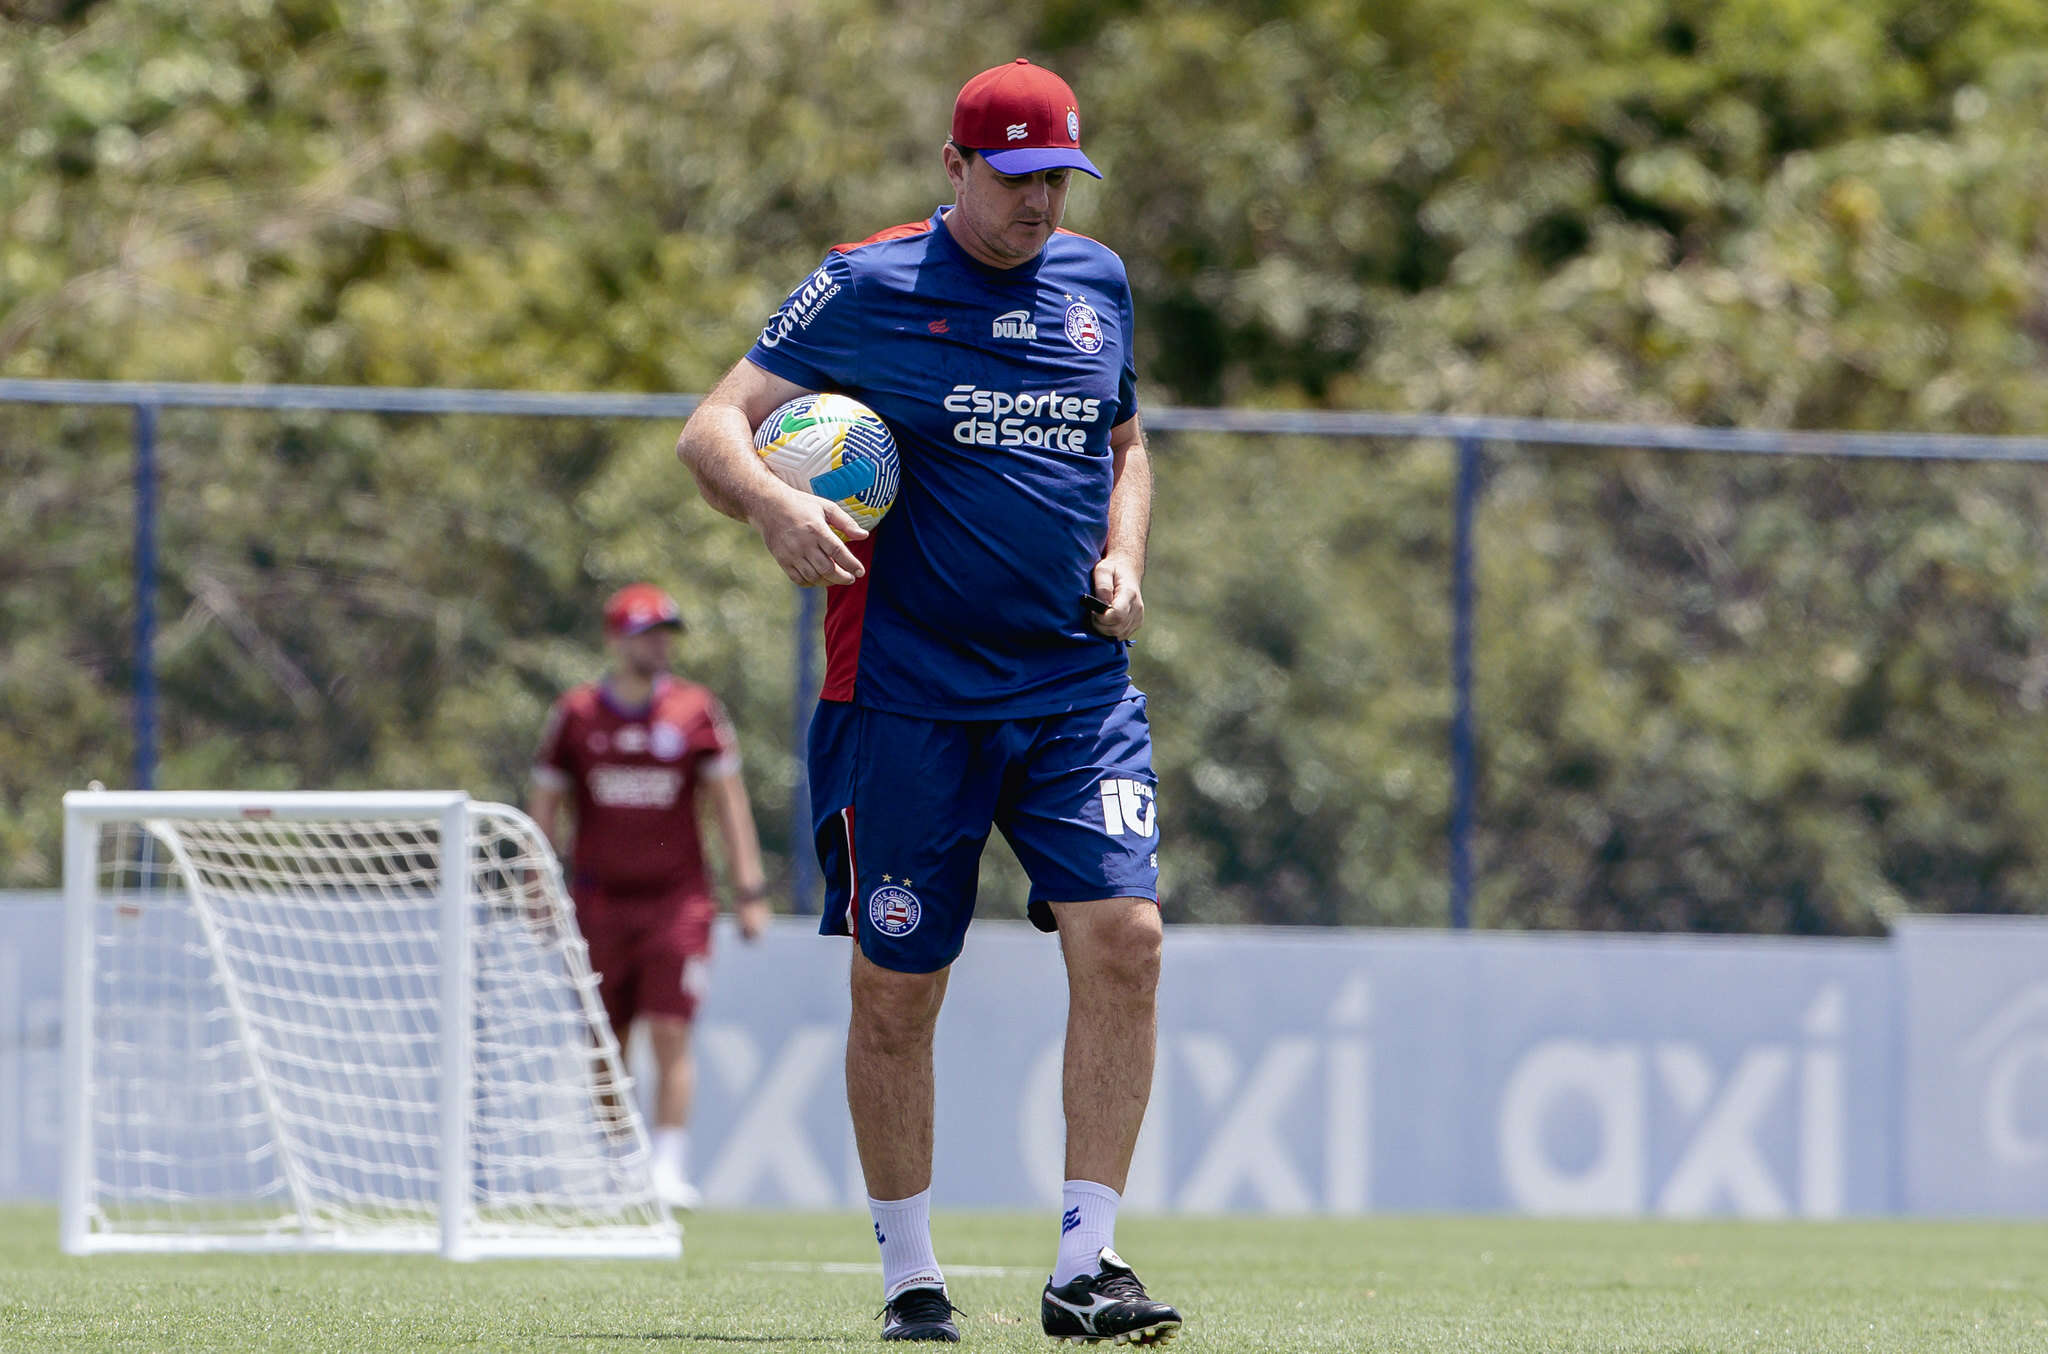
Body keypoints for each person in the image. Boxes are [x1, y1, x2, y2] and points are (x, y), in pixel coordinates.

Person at [676, 59, 1179, 1346]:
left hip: (1071, 684)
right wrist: (778, 504)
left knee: (1125, 937)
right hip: (903, 697)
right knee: (900, 989)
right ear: (954, 169)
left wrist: (1126, 558)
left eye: (1059, 178)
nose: (1040, 206)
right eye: (1014, 180)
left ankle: (1087, 1265)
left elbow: (1122, 441)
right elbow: (710, 430)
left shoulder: (1094, 283)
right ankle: (911, 1279)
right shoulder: (865, 283)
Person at [528, 581, 770, 1211]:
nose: (659, 645)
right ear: (615, 639)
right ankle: (621, 1164)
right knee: (606, 1037)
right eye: (646, 633)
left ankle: (668, 1165)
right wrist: (536, 886)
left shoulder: (695, 710)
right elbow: (544, 807)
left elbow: (728, 803)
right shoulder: (576, 715)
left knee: (671, 1029)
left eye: (666, 634)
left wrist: (749, 889)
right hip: (597, 900)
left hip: (677, 900)